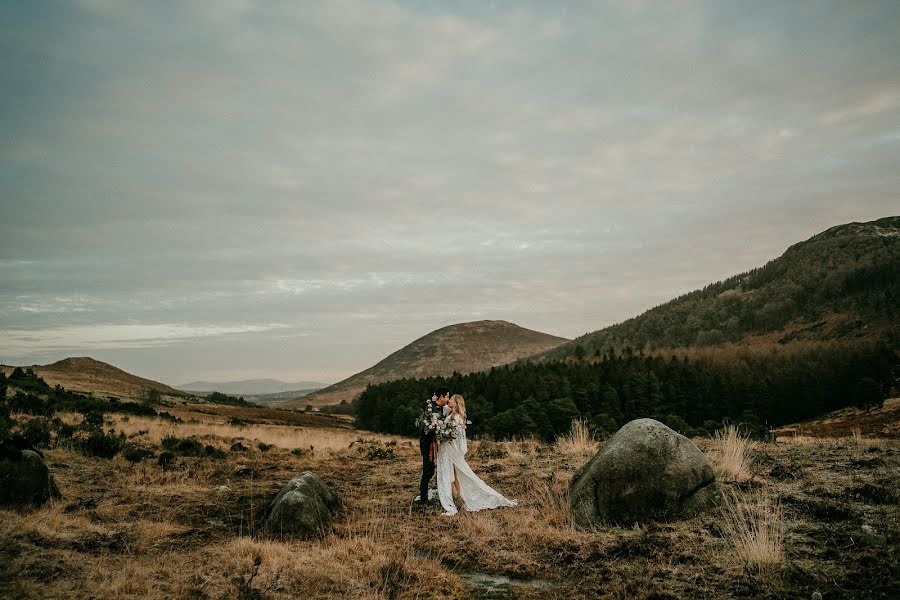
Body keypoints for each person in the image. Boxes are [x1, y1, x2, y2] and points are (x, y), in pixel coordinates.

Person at [436, 394, 517, 516]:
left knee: (451, 474)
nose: (449, 400)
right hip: (445, 448)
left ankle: (455, 501)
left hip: (450, 449)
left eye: (451, 399)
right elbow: (442, 408)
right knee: (452, 474)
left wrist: (443, 433)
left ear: (457, 403)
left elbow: (455, 435)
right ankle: (458, 499)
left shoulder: (457, 417)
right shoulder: (450, 414)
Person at [417, 387, 449, 505]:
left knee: (433, 471)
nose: (448, 399)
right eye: (447, 396)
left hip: (436, 445)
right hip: (428, 446)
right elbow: (428, 429)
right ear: (441, 397)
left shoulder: (440, 408)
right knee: (428, 471)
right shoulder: (432, 409)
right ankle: (423, 498)